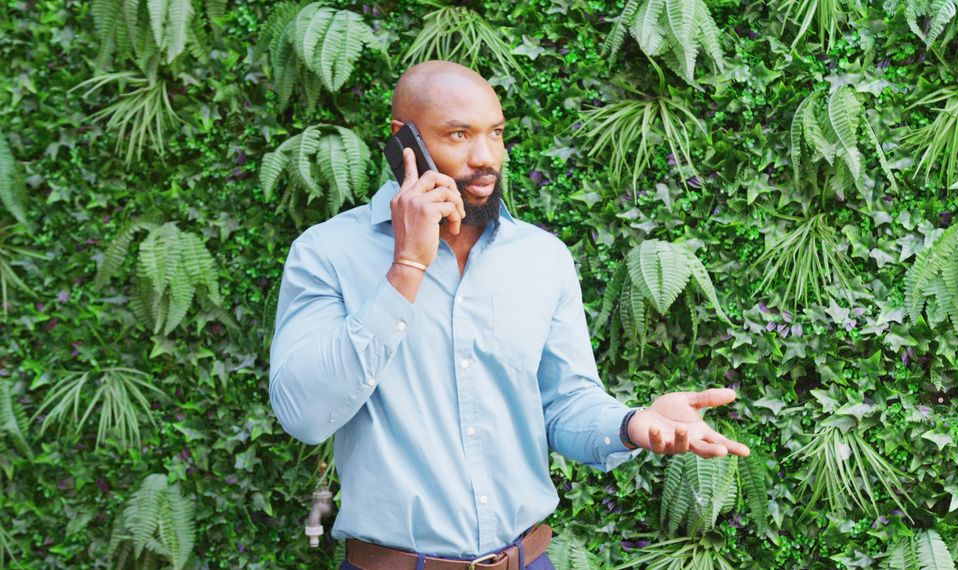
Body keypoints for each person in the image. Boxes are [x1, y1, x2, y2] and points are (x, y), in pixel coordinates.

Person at [268, 60, 750, 570]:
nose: (485, 157)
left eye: (495, 134)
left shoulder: (542, 258)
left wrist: (633, 424)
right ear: (403, 141)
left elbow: (565, 403)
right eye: (459, 135)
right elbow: (304, 414)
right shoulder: (325, 253)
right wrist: (407, 264)